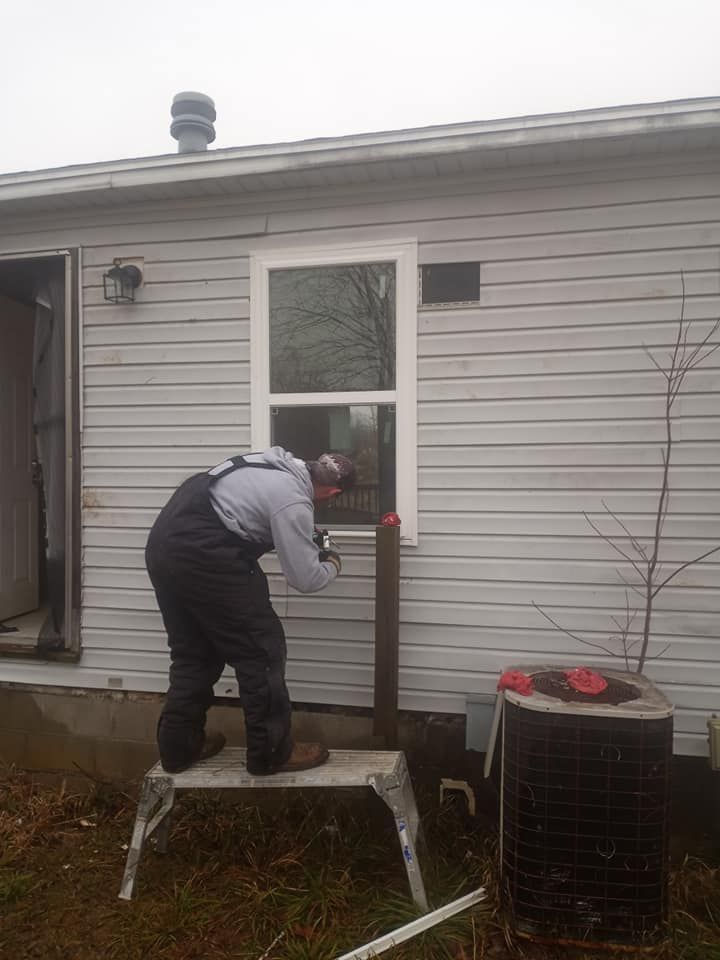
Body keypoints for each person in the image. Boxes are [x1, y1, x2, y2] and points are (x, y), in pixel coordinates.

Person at [144, 446, 356, 776]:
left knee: (193, 653)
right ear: (333, 491)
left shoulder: (270, 464)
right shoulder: (293, 500)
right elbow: (306, 579)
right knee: (261, 651)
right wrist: (332, 562)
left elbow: (248, 512)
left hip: (164, 543)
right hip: (208, 553)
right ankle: (273, 752)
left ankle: (179, 747)